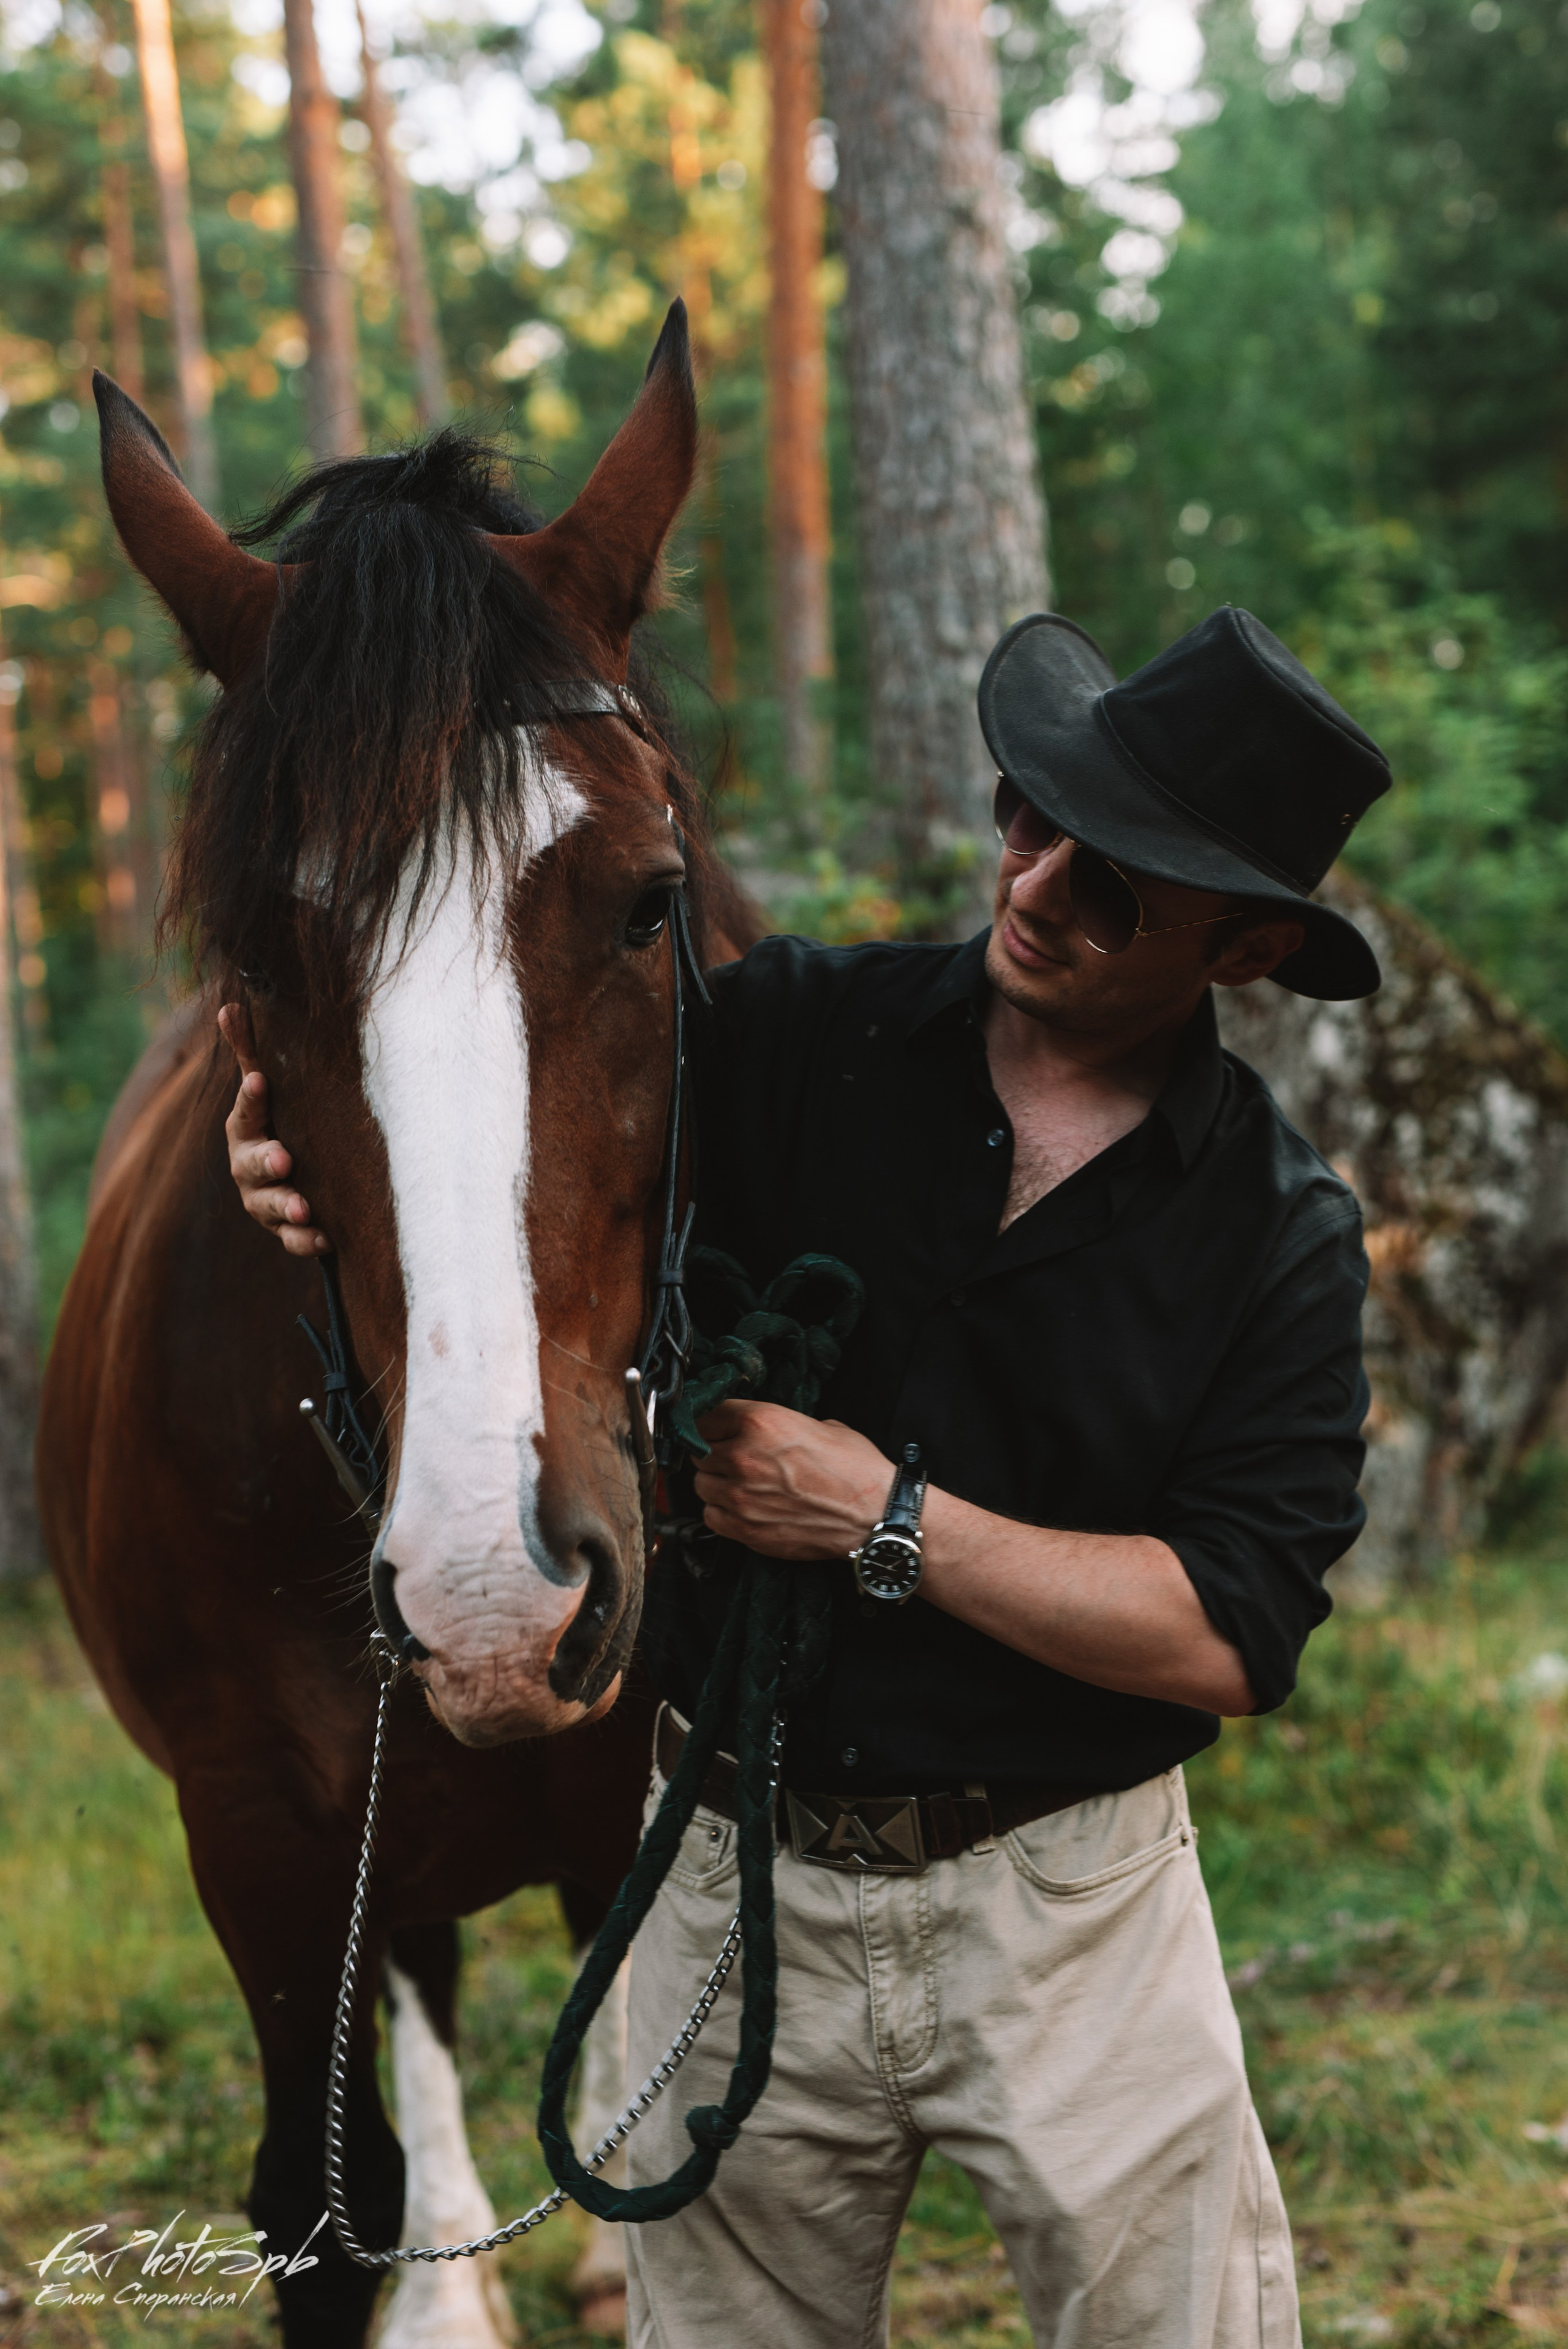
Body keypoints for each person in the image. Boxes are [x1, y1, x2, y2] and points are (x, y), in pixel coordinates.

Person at [227, 605, 1388, 2348]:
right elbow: (520, 1105)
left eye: (1112, 883)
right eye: (1030, 814)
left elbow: (1230, 1631)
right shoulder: (782, 1034)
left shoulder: (1281, 1237)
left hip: (1072, 1906)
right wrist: (309, 1151)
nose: (1035, 884)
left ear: (1248, 946)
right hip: (729, 1868)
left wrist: (884, 1520)